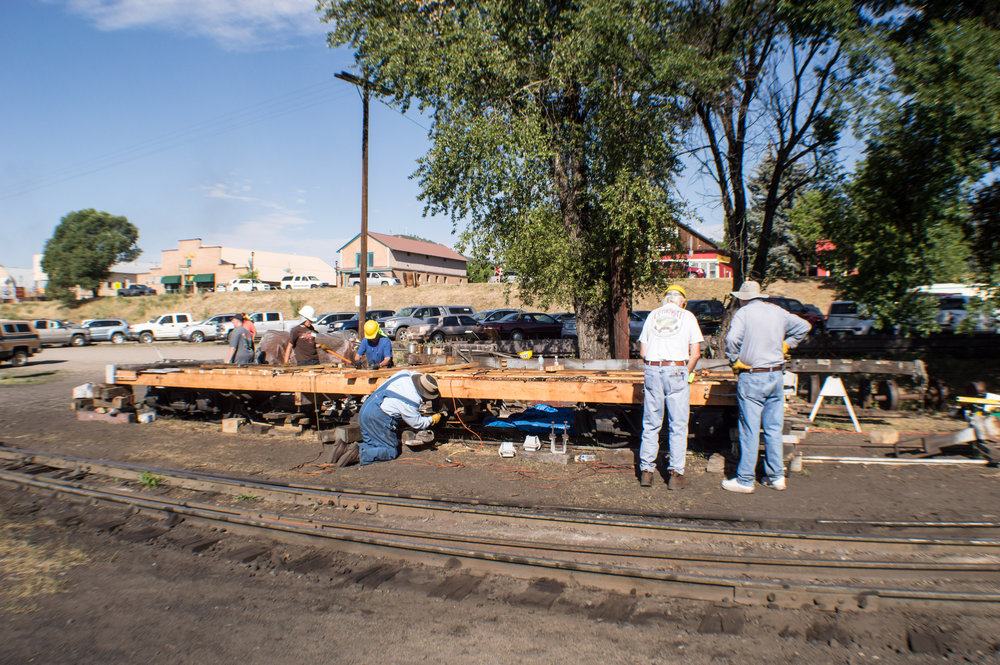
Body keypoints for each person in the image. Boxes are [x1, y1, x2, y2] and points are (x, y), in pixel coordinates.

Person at [722, 281, 811, 493]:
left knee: (750, 430)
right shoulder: (777, 311)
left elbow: (732, 339)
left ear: (743, 298)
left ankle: (745, 480)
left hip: (752, 375)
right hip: (775, 375)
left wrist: (735, 360)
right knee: (773, 429)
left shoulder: (743, 313)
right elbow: (804, 327)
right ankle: (776, 476)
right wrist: (787, 344)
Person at [637, 284, 704, 489]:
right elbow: (696, 353)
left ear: (665, 300)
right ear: (682, 300)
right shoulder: (688, 316)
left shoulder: (652, 316)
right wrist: (687, 372)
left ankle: (647, 471)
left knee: (651, 422)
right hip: (676, 370)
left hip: (653, 370)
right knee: (677, 424)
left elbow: (642, 352)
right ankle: (675, 474)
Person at [333, 370, 446, 467]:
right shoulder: (411, 400)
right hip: (379, 417)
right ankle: (359, 455)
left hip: (367, 408)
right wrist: (434, 418)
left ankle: (344, 448)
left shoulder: (405, 374)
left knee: (374, 443)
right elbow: (418, 423)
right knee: (390, 451)